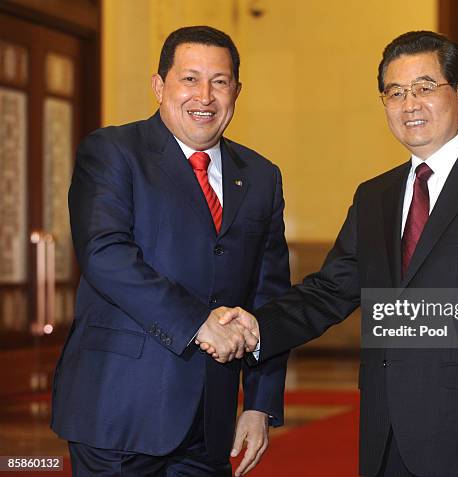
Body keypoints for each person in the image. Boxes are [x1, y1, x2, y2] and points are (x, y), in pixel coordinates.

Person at [202, 31, 458, 477]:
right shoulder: (375, 196)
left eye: (426, 88)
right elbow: (329, 291)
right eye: (396, 92)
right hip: (383, 426)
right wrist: (257, 326)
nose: (410, 104)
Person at [51, 26, 290, 477]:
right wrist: (197, 323)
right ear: (159, 86)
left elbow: (269, 295)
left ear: (236, 90)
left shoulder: (260, 176)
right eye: (189, 79)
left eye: (220, 81)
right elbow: (105, 254)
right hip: (119, 413)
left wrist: (260, 403)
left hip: (210, 424)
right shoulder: (114, 152)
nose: (205, 95)